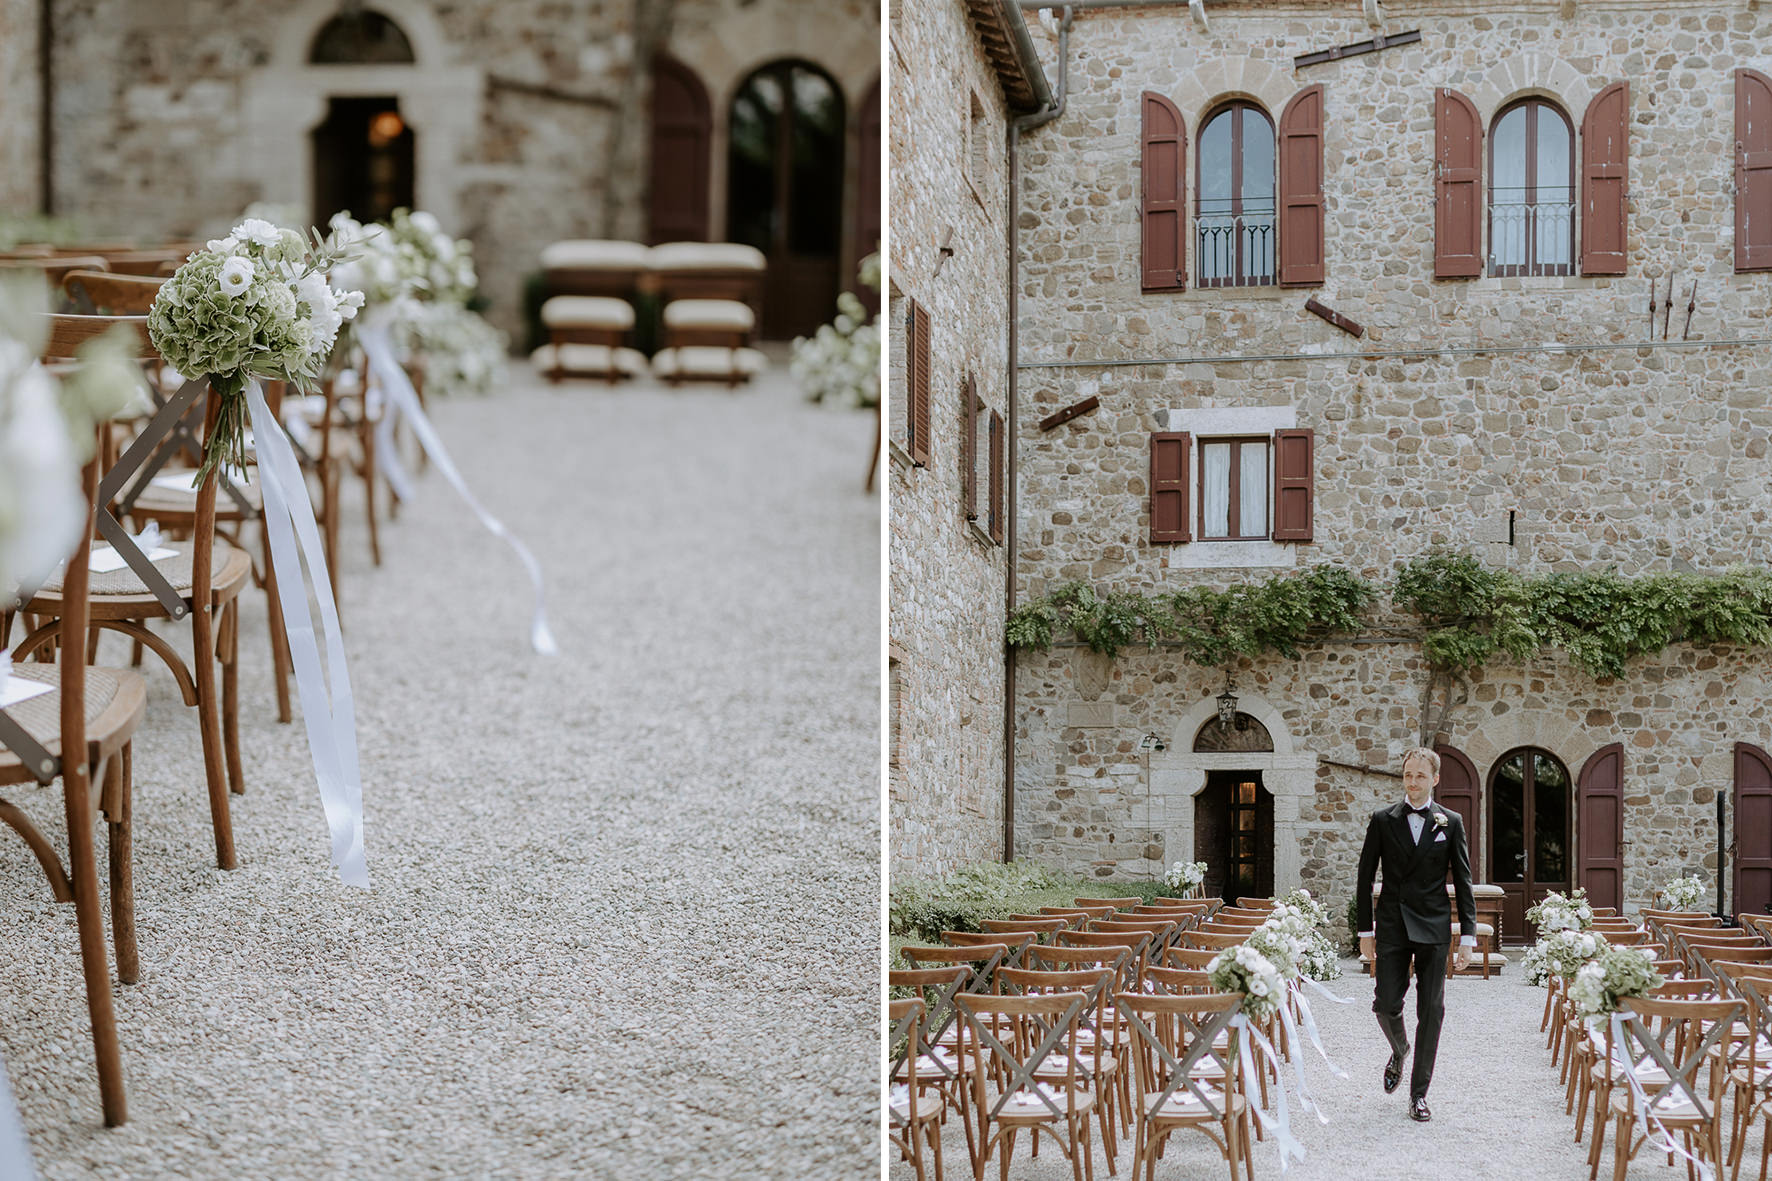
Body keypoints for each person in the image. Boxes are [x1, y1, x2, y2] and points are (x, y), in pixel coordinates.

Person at [1354, 746, 1476, 1123]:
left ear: (1435, 779)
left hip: (1434, 927)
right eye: (1408, 775)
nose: (1412, 782)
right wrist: (1365, 930)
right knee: (1385, 1004)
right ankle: (1400, 1048)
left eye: (1420, 776)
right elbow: (1364, 878)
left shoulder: (1450, 822)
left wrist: (1467, 937)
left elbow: (1465, 881)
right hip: (1391, 924)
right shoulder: (1382, 819)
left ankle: (1419, 1094)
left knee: (1432, 1011)